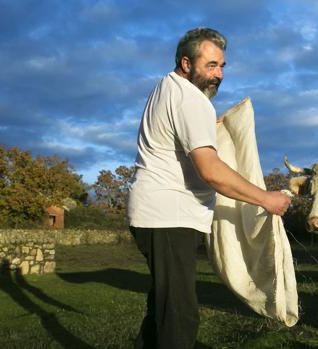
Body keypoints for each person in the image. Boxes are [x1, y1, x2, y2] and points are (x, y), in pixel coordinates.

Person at [127, 27, 291, 349]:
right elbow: (210, 171)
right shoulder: (191, 100)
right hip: (168, 217)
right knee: (180, 317)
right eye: (210, 66)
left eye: (221, 67)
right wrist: (266, 199)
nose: (218, 75)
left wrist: (207, 124)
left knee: (161, 309)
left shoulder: (165, 87)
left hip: (152, 215)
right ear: (186, 63)